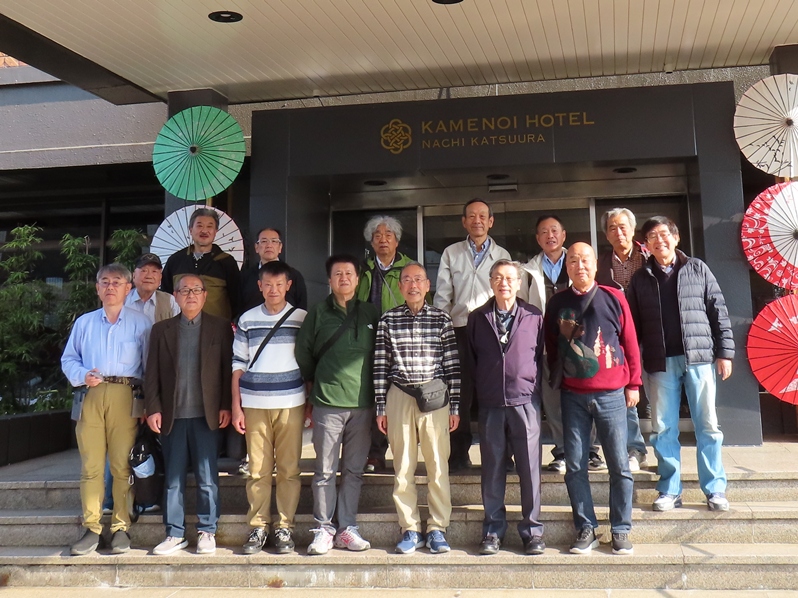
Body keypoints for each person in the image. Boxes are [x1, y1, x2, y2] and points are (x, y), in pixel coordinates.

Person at [626, 216, 734, 513]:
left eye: (664, 234)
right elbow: (631, 327)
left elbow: (718, 310)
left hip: (699, 358)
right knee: (663, 428)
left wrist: (725, 352)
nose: (659, 240)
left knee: (708, 425)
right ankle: (670, 489)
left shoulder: (697, 268)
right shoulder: (640, 279)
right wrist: (633, 367)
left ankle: (714, 488)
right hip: (659, 363)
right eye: (652, 237)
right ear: (646, 245)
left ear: (676, 238)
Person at [544, 243, 641, 556]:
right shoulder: (557, 302)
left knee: (619, 465)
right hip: (573, 395)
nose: (579, 265)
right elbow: (551, 345)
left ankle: (621, 529)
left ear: (595, 265)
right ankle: (586, 527)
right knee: (575, 466)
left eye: (585, 260)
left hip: (611, 394)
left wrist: (634, 384)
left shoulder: (614, 297)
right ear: (567, 267)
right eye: (573, 260)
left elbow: (630, 342)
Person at [61, 263, 151, 556]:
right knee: (91, 466)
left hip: (126, 395)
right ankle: (92, 527)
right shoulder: (84, 323)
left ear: (128, 288)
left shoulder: (141, 323)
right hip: (91, 394)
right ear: (97, 288)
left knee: (122, 465)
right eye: (105, 282)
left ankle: (121, 526)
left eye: (117, 282)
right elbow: (69, 359)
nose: (110, 287)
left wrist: (149, 404)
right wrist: (82, 374)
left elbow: (149, 367)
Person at [374, 262, 460, 555]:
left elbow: (452, 365)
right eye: (407, 280)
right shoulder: (388, 320)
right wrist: (381, 406)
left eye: (419, 280)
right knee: (403, 466)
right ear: (400, 287)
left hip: (434, 397)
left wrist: (455, 406)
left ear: (427, 286)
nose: (413, 285)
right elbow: (380, 366)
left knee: (437, 465)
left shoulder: (441, 319)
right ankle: (409, 528)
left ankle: (437, 528)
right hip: (399, 395)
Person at [295, 254, 379, 555]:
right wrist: (315, 381)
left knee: (354, 470)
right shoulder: (318, 312)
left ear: (357, 280)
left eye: (349, 273)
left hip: (363, 403)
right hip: (327, 401)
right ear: (329, 280)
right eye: (338, 274)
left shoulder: (370, 312)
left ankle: (347, 528)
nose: (344, 278)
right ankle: (323, 528)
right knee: (325, 469)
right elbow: (303, 352)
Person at [145, 274, 233, 556]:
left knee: (208, 476)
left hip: (207, 415)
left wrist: (226, 405)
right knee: (173, 478)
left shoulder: (220, 327)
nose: (191, 295)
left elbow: (227, 370)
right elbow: (151, 373)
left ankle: (207, 530)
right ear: (176, 296)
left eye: (196, 290)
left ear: (205, 295)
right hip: (172, 415)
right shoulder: (161, 330)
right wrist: (153, 408)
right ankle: (174, 533)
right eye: (185, 291)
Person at [468, 259, 545, 556]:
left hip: (524, 402)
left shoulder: (533, 316)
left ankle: (533, 531)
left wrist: (530, 387)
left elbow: (540, 356)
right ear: (490, 282)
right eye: (498, 278)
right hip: (490, 404)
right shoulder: (478, 318)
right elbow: (472, 360)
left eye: (510, 278)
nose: (504, 283)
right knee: (492, 469)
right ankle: (492, 531)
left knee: (530, 470)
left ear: (519, 283)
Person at [233, 260, 308, 555]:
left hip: (291, 402)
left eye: (279, 284)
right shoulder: (247, 319)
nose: (273, 290)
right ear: (260, 286)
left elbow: (309, 363)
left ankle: (285, 526)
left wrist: (310, 402)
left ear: (288, 286)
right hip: (254, 403)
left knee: (289, 469)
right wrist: (236, 406)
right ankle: (258, 526)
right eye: (268, 284)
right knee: (257, 470)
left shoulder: (301, 318)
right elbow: (237, 365)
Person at [434, 198, 510, 471]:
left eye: (483, 216)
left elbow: (509, 293)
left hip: (493, 329)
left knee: (495, 391)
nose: (477, 220)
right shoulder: (451, 253)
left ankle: (501, 453)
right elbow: (443, 295)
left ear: (491, 221)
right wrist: (441, 331)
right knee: (460, 393)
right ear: (464, 221)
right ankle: (458, 453)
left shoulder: (502, 254)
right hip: (459, 329)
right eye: (472, 216)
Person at [524, 216, 603, 473]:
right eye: (544, 232)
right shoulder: (527, 272)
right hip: (547, 345)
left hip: (579, 345)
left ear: (564, 235)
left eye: (554, 231)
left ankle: (590, 451)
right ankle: (561, 451)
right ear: (538, 239)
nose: (550, 236)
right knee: (553, 400)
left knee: (585, 397)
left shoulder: (578, 261)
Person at [355, 215, 415, 473]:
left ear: (397, 241)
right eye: (377, 236)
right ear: (371, 241)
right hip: (369, 341)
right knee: (375, 397)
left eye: (388, 235)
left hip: (400, 341)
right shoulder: (362, 269)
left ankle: (405, 453)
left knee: (402, 397)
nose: (383, 240)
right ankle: (375, 453)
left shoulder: (409, 269)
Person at [595, 208, 649, 472]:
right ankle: (634, 449)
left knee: (659, 396)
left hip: (651, 334)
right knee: (627, 393)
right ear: (606, 235)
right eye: (612, 228)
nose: (619, 232)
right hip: (618, 338)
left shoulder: (649, 256)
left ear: (633, 228)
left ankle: (663, 451)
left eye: (623, 226)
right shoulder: (601, 264)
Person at [161, 207, 242, 321]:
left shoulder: (226, 262)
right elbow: (166, 295)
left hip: (216, 326)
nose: (204, 230)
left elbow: (236, 299)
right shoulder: (176, 260)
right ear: (190, 230)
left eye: (209, 226)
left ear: (216, 231)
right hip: (179, 325)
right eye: (199, 226)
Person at [241, 227, 308, 312]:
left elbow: (301, 308)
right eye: (264, 241)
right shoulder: (245, 276)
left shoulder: (293, 275)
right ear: (256, 247)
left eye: (274, 241)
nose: (269, 245)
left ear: (280, 247)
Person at [125, 253, 181, 323]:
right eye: (144, 271)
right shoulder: (122, 300)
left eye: (154, 271)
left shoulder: (170, 301)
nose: (149, 276)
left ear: (160, 277)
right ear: (134, 276)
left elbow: (177, 327)